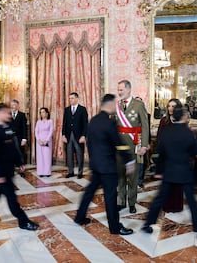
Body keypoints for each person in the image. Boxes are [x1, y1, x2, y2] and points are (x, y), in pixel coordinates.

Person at [141, 105, 197, 240]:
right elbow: (193, 152)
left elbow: (161, 153)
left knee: (159, 200)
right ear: (184, 117)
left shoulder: (166, 132)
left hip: (169, 172)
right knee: (191, 202)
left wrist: (158, 171)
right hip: (184, 172)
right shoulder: (188, 133)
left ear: (173, 117)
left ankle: (147, 224)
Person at [74, 94, 135, 235]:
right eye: (115, 104)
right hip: (108, 166)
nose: (116, 106)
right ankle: (114, 227)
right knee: (111, 197)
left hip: (96, 165)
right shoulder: (110, 122)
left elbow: (90, 143)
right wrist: (129, 160)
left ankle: (79, 217)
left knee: (89, 193)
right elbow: (119, 144)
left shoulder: (93, 121)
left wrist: (94, 159)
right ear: (109, 104)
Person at [0, 103, 39, 231]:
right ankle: (23, 221)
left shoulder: (6, 127)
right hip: (2, 171)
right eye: (7, 113)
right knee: (11, 198)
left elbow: (12, 148)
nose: (9, 115)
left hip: (9, 169)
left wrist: (19, 162)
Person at [116, 80, 149, 214]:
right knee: (121, 176)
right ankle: (121, 201)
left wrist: (144, 145)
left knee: (133, 177)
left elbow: (145, 126)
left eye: (121, 90)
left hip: (134, 144)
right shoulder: (117, 106)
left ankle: (131, 203)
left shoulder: (138, 105)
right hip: (119, 146)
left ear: (129, 90)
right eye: (118, 90)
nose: (119, 92)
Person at [155, 98, 185, 213]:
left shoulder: (182, 122)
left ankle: (177, 205)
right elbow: (159, 138)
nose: (170, 108)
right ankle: (167, 205)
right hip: (167, 157)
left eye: (173, 106)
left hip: (178, 158)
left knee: (177, 183)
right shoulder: (164, 121)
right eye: (169, 106)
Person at [62, 92, 88, 179]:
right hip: (69, 136)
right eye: (69, 98)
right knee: (69, 155)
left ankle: (80, 172)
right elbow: (64, 123)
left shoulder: (82, 109)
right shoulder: (67, 110)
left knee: (79, 154)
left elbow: (85, 124)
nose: (70, 100)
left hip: (79, 136)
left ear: (77, 99)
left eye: (72, 98)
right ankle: (71, 171)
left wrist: (84, 136)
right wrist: (63, 135)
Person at [134, 96, 151, 189]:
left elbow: (147, 129)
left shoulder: (146, 115)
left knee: (141, 163)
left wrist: (147, 142)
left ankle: (139, 181)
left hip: (141, 141)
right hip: (131, 141)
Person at [35, 107, 53, 177]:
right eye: (41, 112)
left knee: (47, 157)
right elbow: (36, 131)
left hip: (47, 141)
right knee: (40, 157)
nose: (42, 113)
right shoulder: (38, 122)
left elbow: (51, 131)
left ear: (47, 113)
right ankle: (41, 172)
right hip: (39, 142)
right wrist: (38, 140)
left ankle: (47, 172)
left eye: (43, 112)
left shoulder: (50, 121)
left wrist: (46, 140)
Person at [10, 99, 28, 163]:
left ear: (17, 106)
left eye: (14, 105)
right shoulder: (8, 115)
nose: (12, 106)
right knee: (10, 152)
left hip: (19, 137)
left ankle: (21, 166)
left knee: (20, 152)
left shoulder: (22, 115)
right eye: (11, 105)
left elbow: (24, 127)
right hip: (10, 137)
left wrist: (24, 138)